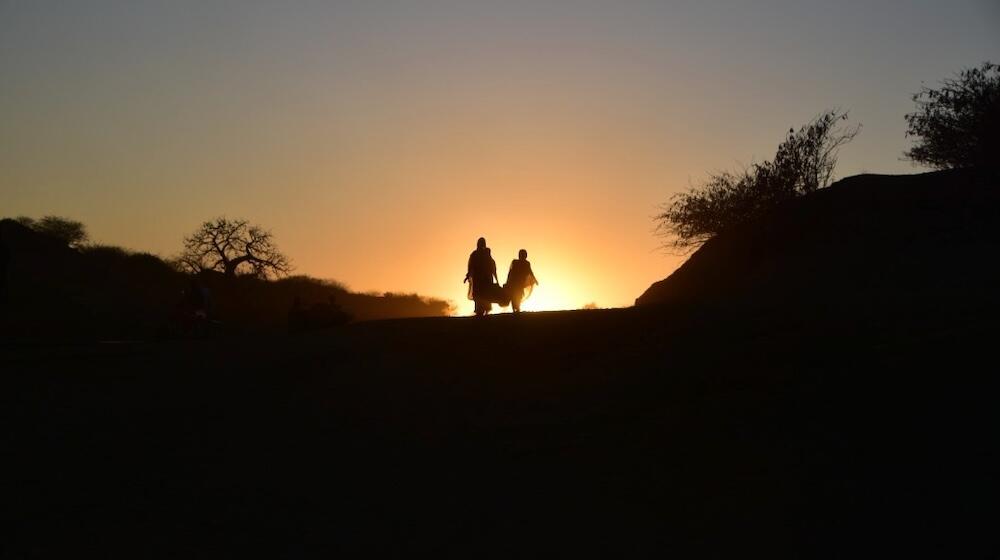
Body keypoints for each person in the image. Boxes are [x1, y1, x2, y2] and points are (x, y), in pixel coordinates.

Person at [464, 237, 498, 317]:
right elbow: (472, 266)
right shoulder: (475, 254)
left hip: (485, 278)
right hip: (479, 278)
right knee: (479, 294)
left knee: (485, 294)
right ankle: (480, 311)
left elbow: (492, 265)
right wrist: (468, 275)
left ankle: (484, 310)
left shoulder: (486, 253)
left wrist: (495, 276)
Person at [505, 249, 538, 313]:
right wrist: (508, 281)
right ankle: (515, 309)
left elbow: (530, 272)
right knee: (514, 296)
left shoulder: (526, 263)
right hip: (514, 283)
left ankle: (517, 309)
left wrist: (535, 280)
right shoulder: (515, 262)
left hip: (520, 283)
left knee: (518, 296)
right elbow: (510, 272)